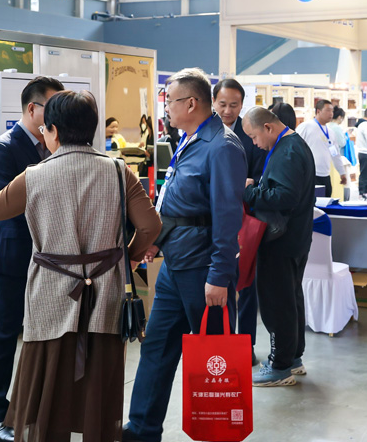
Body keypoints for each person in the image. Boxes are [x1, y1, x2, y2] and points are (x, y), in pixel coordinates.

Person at [0, 90, 161, 442]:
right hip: (107, 290)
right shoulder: (118, 172)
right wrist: (128, 256)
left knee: (46, 376)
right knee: (100, 376)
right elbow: (150, 226)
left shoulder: (36, 175)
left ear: (51, 130)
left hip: (52, 290)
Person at [124, 68, 246, 442]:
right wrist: (157, 240)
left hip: (204, 271)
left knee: (215, 359)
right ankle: (142, 430)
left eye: (170, 101)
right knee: (157, 348)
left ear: (191, 103)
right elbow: (179, 205)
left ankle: (218, 431)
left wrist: (219, 276)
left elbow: (227, 217)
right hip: (176, 264)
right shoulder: (191, 140)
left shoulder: (222, 147)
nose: (166, 108)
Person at [0, 76, 64, 442]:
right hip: (16, 256)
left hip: (55, 257)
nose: (59, 115)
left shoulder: (57, 147)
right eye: (53, 106)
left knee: (49, 335)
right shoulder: (1, 151)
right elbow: (9, 208)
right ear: (32, 109)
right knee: (3, 335)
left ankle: (38, 408)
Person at [242, 107, 316, 386]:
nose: (254, 143)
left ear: (269, 128)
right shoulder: (292, 145)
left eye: (254, 136)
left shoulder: (287, 151)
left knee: (277, 302)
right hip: (294, 238)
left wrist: (248, 190)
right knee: (291, 298)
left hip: (281, 240)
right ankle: (293, 356)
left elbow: (283, 196)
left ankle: (280, 365)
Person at [212, 78, 265, 362]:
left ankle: (246, 343)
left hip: (245, 219)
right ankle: (220, 343)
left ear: (242, 105)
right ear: (213, 102)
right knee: (217, 282)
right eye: (222, 104)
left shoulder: (250, 134)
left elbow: (259, 174)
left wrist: (250, 181)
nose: (228, 110)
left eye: (234, 105)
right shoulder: (204, 132)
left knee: (246, 283)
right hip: (213, 220)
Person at [296, 99, 347, 198]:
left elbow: (335, 154)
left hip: (325, 175)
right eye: (328, 110)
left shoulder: (331, 132)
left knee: (326, 203)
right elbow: (294, 147)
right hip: (310, 174)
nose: (331, 114)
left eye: (332, 111)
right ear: (318, 111)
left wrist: (342, 172)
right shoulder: (306, 127)